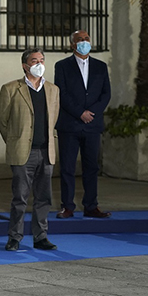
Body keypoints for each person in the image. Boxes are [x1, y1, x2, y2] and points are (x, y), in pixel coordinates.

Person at [0, 48, 59, 252]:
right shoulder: (11, 88)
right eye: (34, 60)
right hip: (23, 152)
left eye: (41, 60)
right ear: (25, 65)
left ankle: (41, 237)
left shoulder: (53, 90)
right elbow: (1, 119)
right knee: (19, 198)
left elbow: (54, 119)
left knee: (44, 198)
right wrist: (13, 140)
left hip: (45, 151)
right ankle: (15, 237)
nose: (39, 64)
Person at [54, 30, 112, 219]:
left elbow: (106, 94)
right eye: (80, 40)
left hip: (92, 125)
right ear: (72, 44)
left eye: (87, 39)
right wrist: (80, 113)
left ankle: (91, 206)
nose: (84, 42)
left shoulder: (100, 67)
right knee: (68, 168)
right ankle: (67, 206)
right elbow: (61, 93)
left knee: (91, 167)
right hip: (70, 125)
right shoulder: (62, 66)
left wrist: (91, 114)